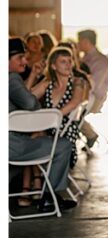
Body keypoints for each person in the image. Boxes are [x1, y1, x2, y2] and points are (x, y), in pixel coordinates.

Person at [9, 38, 76, 212]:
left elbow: (24, 95)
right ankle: (49, 195)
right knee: (63, 145)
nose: (25, 61)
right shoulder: (12, 79)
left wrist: (32, 77)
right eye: (20, 58)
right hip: (13, 146)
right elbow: (31, 104)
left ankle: (30, 192)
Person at [30, 46, 89, 175]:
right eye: (63, 61)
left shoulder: (77, 81)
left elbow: (75, 102)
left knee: (31, 138)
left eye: (70, 60)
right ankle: (36, 181)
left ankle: (36, 182)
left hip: (64, 135)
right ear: (53, 66)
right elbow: (26, 97)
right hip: (48, 131)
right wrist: (33, 74)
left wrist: (49, 119)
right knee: (29, 137)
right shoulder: (48, 83)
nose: (68, 65)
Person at [77, 29, 108, 149]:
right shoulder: (85, 58)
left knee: (71, 111)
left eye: (79, 41)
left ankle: (90, 134)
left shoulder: (100, 60)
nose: (78, 44)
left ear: (86, 42)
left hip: (94, 98)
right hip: (85, 95)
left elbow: (94, 86)